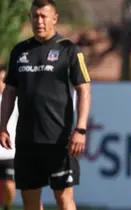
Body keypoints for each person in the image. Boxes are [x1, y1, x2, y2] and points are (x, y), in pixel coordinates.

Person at [0, 0, 91, 210]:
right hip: (26, 141)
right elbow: (9, 92)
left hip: (59, 141)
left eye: (43, 16)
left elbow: (84, 90)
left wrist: (81, 128)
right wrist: (3, 125)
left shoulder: (69, 49)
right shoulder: (19, 51)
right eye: (35, 16)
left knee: (64, 199)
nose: (39, 21)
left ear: (55, 18)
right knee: (30, 203)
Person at [0, 66, 17, 210]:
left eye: (3, 79)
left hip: (9, 153)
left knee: (9, 186)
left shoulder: (15, 100)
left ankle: (7, 206)